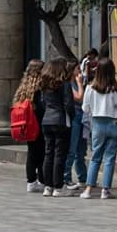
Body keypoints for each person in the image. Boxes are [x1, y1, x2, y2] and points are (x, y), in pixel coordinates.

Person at [80, 56, 117, 200]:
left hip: (98, 124)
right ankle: (105, 190)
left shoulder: (90, 88)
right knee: (110, 158)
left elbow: (85, 108)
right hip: (113, 124)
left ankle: (88, 189)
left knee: (95, 157)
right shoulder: (115, 89)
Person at [35, 59, 77, 196]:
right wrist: (72, 116)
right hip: (61, 120)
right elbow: (69, 104)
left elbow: (42, 103)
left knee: (48, 153)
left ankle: (48, 186)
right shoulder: (64, 84)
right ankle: (58, 186)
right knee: (60, 154)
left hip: (47, 120)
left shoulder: (45, 85)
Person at [63, 49, 98, 189]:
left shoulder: (79, 82)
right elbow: (79, 97)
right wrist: (79, 83)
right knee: (72, 149)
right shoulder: (68, 84)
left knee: (81, 150)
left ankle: (83, 177)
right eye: (77, 68)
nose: (80, 71)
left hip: (82, 117)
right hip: (74, 117)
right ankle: (66, 177)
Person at [14, 60, 47, 194]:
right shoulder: (40, 88)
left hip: (27, 124)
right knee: (41, 153)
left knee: (33, 153)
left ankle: (32, 181)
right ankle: (38, 180)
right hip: (38, 123)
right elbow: (41, 107)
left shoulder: (24, 87)